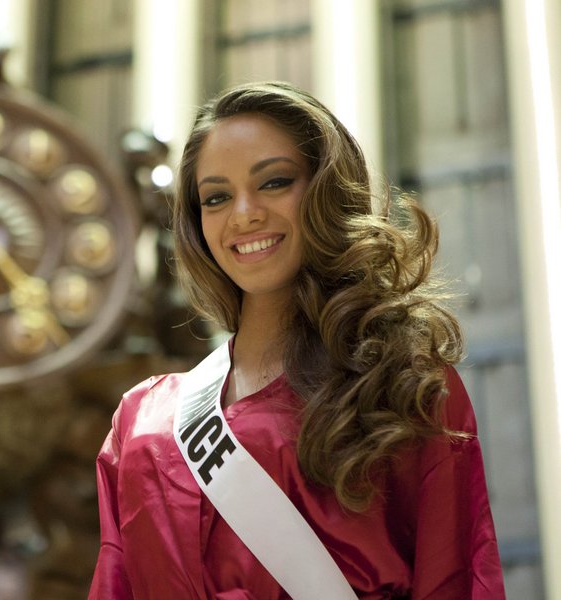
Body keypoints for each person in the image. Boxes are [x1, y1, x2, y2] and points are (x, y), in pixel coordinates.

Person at [88, 81, 505, 599]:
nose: (243, 214)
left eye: (274, 182)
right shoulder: (142, 419)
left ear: (324, 191)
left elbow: (456, 581)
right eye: (216, 197)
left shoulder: (402, 387)